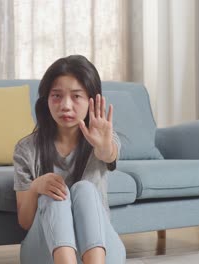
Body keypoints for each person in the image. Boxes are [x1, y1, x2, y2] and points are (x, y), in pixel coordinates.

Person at [13, 54, 126, 264]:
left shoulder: (103, 138)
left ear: (93, 100)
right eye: (56, 95)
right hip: (45, 254)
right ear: (46, 100)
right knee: (53, 192)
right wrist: (36, 186)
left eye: (76, 96)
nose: (65, 105)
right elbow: (25, 222)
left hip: (102, 253)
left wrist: (102, 146)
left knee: (83, 188)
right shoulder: (26, 149)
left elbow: (108, 154)